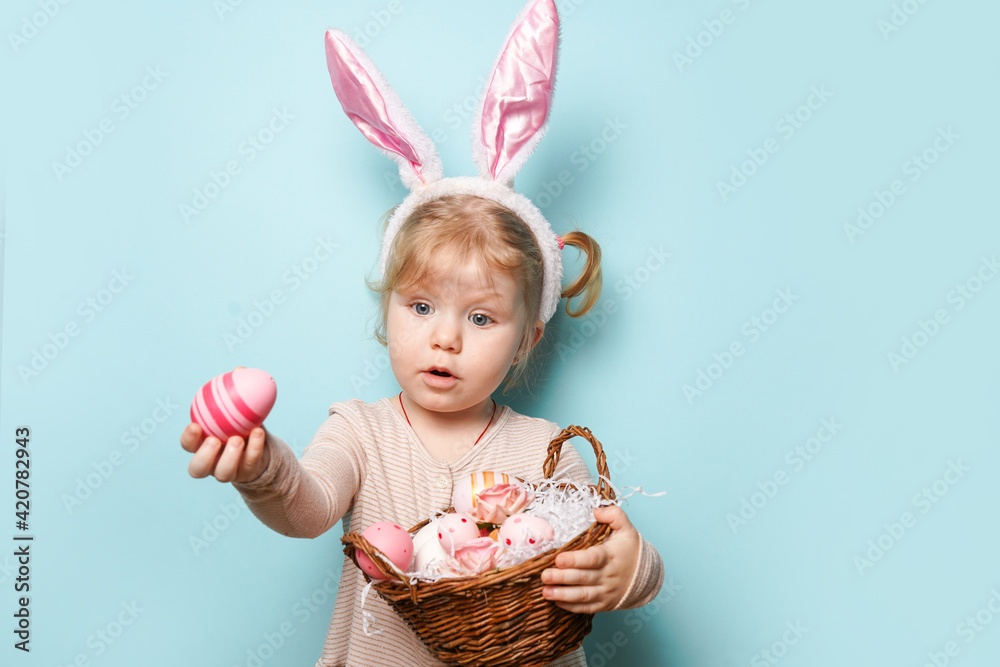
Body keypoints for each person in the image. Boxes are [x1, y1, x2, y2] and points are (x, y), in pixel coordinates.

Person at [181, 1, 664, 664]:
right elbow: (310, 505)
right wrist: (262, 470)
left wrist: (631, 568)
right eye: (421, 307)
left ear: (528, 338)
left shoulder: (546, 454)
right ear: (388, 311)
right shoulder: (360, 432)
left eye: (482, 317)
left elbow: (605, 544)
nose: (446, 339)